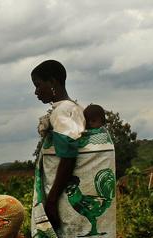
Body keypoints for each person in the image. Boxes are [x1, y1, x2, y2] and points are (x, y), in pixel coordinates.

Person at [30, 60, 117, 237]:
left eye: (38, 85)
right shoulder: (75, 108)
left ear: (53, 82)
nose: (36, 92)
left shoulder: (63, 111)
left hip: (62, 198)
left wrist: (52, 200)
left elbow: (69, 155)